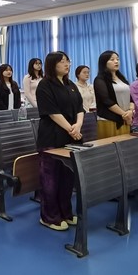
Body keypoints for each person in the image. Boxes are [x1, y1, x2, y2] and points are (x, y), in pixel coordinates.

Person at [36, 51, 84, 231]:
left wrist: (78, 125)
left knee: (67, 178)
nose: (67, 64)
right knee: (50, 179)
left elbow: (80, 108)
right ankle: (49, 217)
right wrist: (71, 129)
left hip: (71, 136)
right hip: (52, 136)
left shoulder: (70, 84)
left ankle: (66, 213)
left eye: (68, 61)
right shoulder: (45, 85)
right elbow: (52, 112)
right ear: (52, 64)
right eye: (62, 61)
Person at [94, 50, 134, 138]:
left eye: (117, 59)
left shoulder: (122, 78)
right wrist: (125, 114)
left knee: (126, 144)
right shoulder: (100, 80)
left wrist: (130, 111)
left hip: (125, 118)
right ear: (104, 62)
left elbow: (131, 98)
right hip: (109, 119)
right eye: (112, 59)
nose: (116, 61)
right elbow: (106, 100)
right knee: (112, 144)